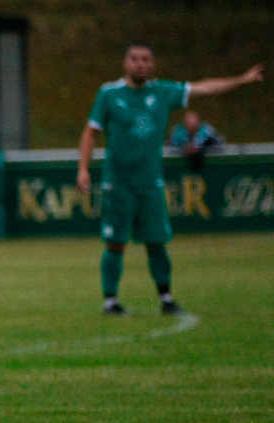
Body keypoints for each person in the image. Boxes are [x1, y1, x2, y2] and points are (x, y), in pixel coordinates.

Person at [77, 42, 263, 316]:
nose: (140, 64)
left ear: (152, 65)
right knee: (115, 241)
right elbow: (91, 132)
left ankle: (166, 298)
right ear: (125, 63)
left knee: (157, 241)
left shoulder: (162, 92)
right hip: (117, 182)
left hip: (150, 182)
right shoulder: (108, 94)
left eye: (145, 59)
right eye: (135, 59)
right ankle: (110, 301)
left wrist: (241, 80)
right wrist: (83, 168)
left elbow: (204, 87)